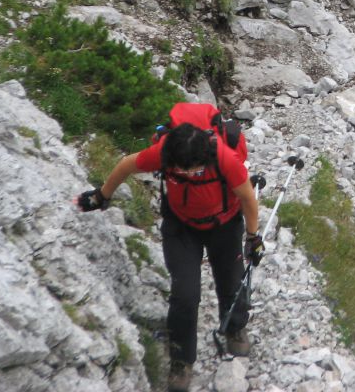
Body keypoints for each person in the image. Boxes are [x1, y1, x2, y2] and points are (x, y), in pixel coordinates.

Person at [77, 122, 263, 392]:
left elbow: (248, 199)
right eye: (181, 169)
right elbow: (127, 164)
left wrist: (253, 237)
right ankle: (181, 360)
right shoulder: (164, 153)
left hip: (225, 225)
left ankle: (234, 327)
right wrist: (101, 196)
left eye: (194, 169)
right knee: (184, 294)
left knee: (232, 280)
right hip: (181, 226)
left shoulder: (224, 158)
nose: (188, 173)